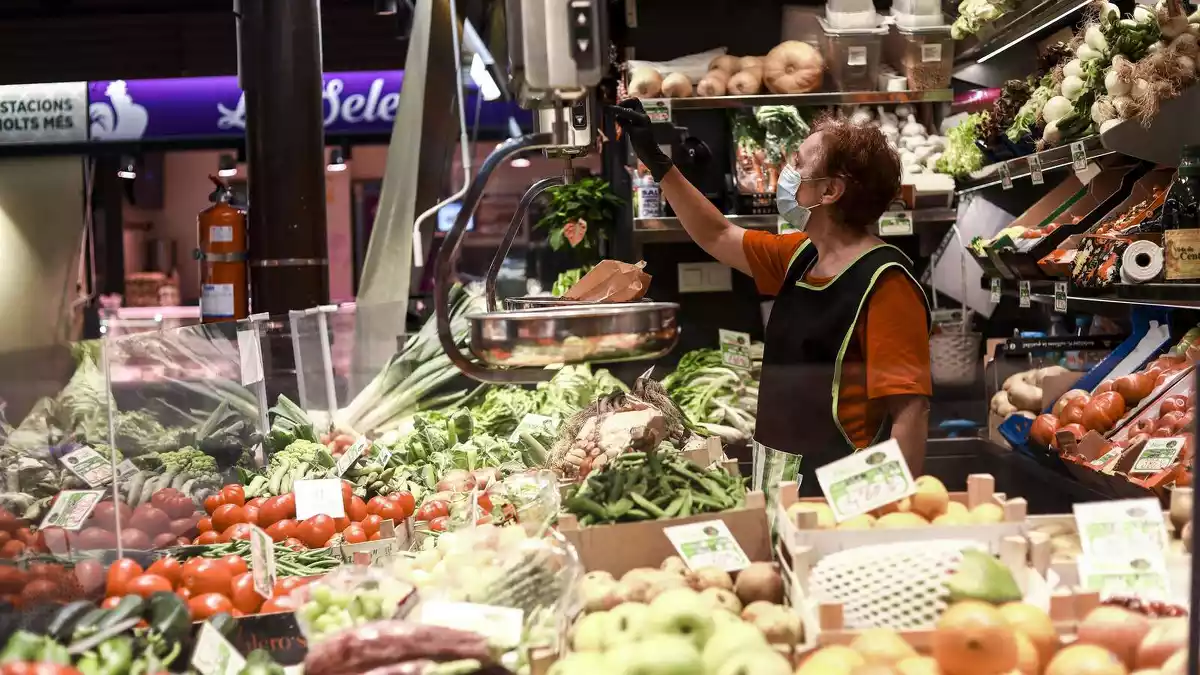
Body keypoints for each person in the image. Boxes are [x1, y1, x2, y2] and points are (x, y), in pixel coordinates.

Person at [610, 100, 932, 497]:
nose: (786, 172)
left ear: (830, 190)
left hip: (842, 492)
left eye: (798, 163)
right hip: (779, 474)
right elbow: (717, 234)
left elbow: (910, 414)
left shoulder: (885, 283)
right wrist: (657, 162)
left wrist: (891, 511)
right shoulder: (802, 255)